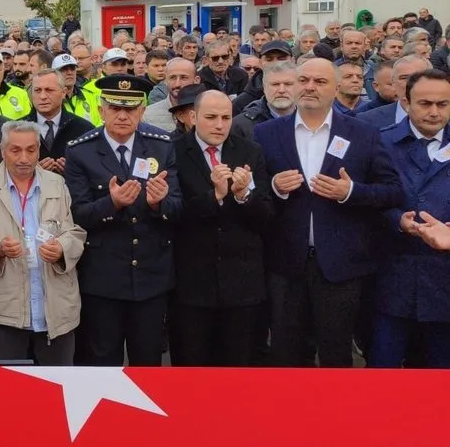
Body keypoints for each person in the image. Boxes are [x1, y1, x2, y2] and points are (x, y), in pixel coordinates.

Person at [254, 58, 405, 367]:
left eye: (320, 82)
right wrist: (275, 187)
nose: (310, 87)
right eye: (304, 80)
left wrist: (350, 192)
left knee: (336, 353)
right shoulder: (265, 133)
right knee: (286, 352)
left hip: (341, 266)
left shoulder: (362, 133)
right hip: (285, 264)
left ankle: (334, 415)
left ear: (336, 88)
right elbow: (252, 196)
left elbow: (392, 191)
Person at [64, 74, 182, 366]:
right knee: (103, 363)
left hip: (150, 276)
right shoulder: (81, 150)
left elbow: (178, 208)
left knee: (148, 363)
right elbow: (77, 214)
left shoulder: (162, 145)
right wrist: (112, 203)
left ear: (142, 111)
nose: (122, 115)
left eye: (130, 109)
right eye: (115, 107)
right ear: (101, 109)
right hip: (103, 277)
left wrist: (158, 204)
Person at [0, 121, 87, 365]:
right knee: (10, 393)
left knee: (57, 390)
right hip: (6, 309)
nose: (24, 158)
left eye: (31, 150)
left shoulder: (56, 183)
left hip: (55, 307)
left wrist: (61, 248)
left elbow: (75, 233)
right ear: (2, 151)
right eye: (15, 150)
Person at [170, 91, 274, 366]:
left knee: (240, 368)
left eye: (226, 117)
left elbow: (265, 217)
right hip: (191, 285)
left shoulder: (250, 151)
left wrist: (242, 196)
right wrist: (214, 196)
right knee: (191, 369)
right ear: (193, 117)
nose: (219, 125)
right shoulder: (173, 151)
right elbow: (171, 214)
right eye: (211, 117)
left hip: (242, 285)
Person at [372, 69, 450, 368]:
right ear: (406, 102)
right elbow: (365, 204)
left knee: (440, 378)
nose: (433, 112)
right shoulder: (380, 142)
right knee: (383, 369)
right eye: (425, 103)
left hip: (444, 282)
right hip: (392, 276)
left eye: (442, 104)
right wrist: (396, 221)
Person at [22, 69, 92, 174]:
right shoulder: (18, 129)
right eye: (37, 90)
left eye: (49, 90)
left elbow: (95, 170)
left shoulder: (84, 130)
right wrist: (31, 172)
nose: (43, 96)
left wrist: (74, 171)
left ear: (63, 92)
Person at [144, 58, 199, 132]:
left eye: (184, 78)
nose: (177, 84)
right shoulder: (148, 115)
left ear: (196, 80)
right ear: (165, 80)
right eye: (172, 78)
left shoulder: (210, 111)